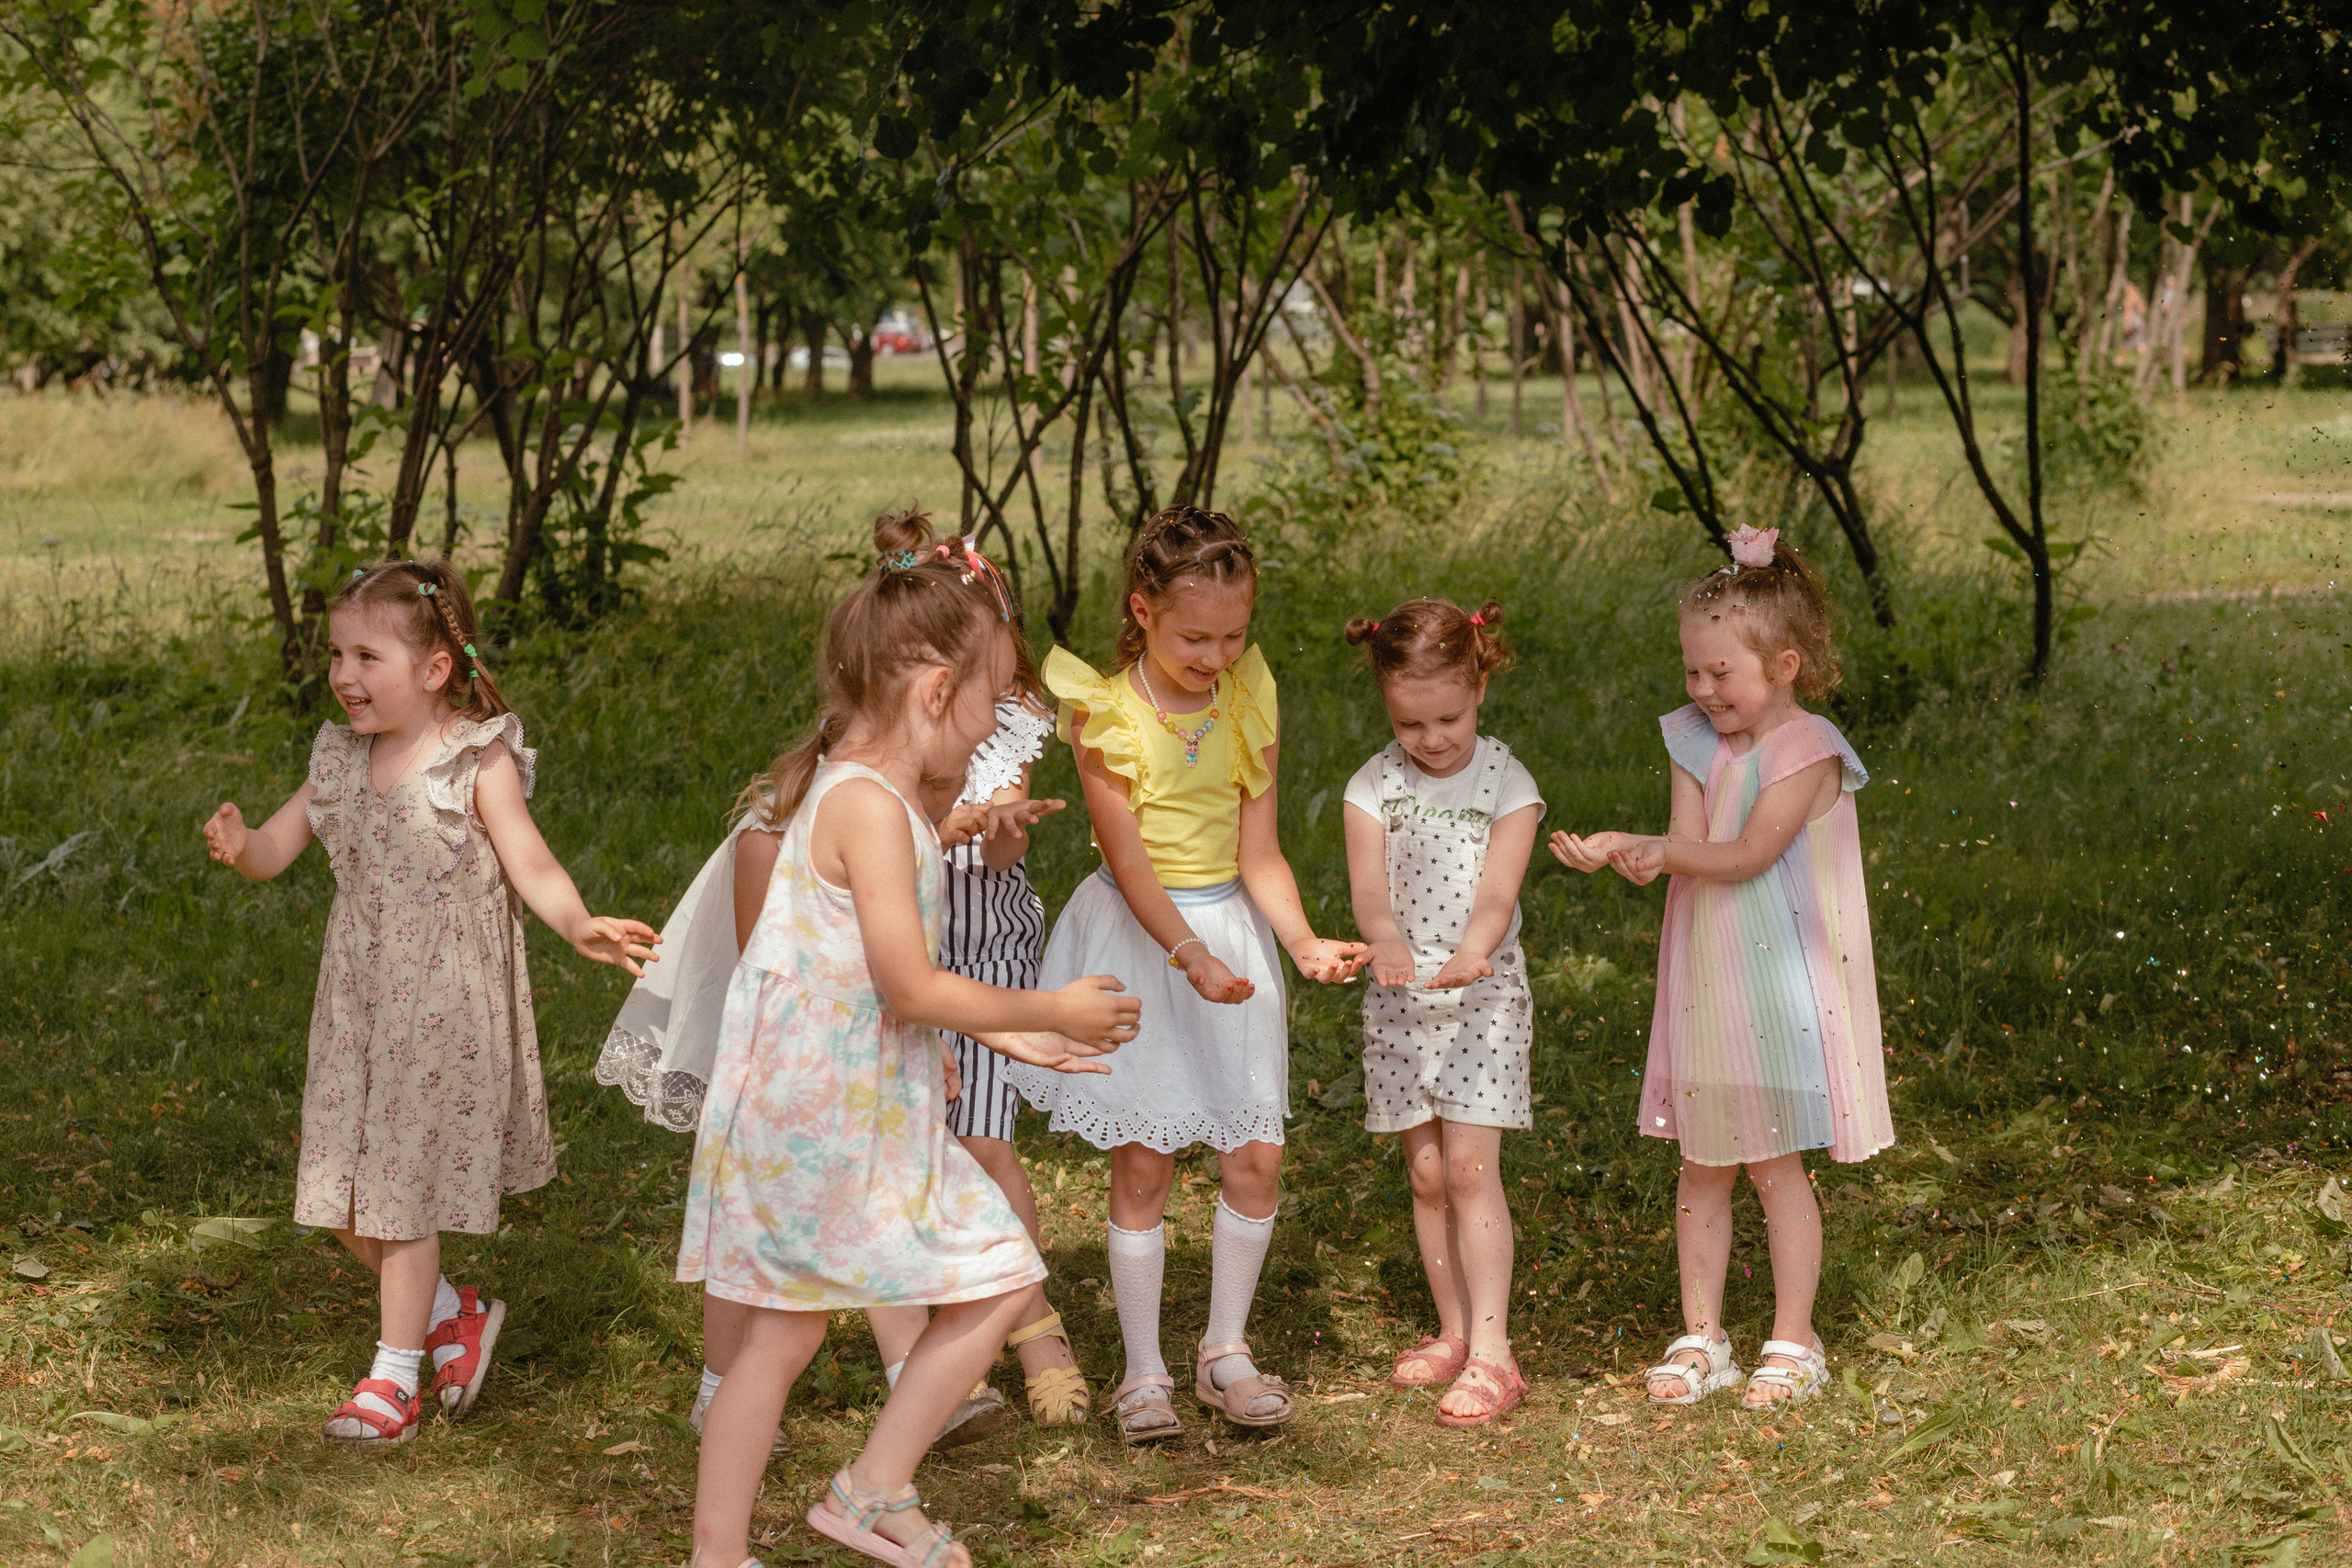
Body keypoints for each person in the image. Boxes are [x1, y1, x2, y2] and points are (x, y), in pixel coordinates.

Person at [679, 516, 1138, 1568]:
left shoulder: (878, 798)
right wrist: (1046, 1012)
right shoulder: (868, 807)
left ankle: (859, 1495)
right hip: (820, 1114)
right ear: (936, 692)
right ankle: (807, 1518)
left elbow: (873, 966)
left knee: (950, 1287)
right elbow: (906, 982)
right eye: (994, 698)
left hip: (852, 1100)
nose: (996, 724)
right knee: (814, 1324)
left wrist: (1012, 1045)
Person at [201, 560, 659, 1447]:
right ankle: (456, 1313)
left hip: (442, 1003)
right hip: (359, 1004)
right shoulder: (338, 757)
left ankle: (393, 1378)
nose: (343, 674)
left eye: (367, 655)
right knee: (336, 1191)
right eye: (336, 653)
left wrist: (577, 924)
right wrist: (240, 841)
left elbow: (531, 862)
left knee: (400, 1193)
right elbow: (275, 849)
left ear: (435, 669)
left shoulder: (472, 755)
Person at [1006, 504, 1365, 1445]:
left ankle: (1224, 1350)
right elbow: (1129, 865)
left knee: (1254, 1152)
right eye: (1194, 637)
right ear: (1142, 610)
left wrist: (1298, 942)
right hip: (1143, 941)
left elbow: (1261, 850)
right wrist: (1187, 954)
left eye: (1234, 635)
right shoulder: (1105, 713)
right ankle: (1142, 1370)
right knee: (1145, 1160)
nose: (1216, 656)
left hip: (1228, 939)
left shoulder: (1249, 692)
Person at [1550, 525, 1891, 1410]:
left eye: (1720, 674)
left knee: (1775, 1163)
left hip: (1777, 987)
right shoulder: (1694, 739)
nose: (1703, 691)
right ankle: (1702, 1333)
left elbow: (1743, 855)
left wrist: (1657, 849)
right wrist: (1637, 853)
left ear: (1783, 664)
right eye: (1691, 671)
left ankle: (1795, 1335)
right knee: (1702, 1162)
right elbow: (1695, 843)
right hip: (1707, 975)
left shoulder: (1807, 749)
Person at [1340, 598, 1543, 1428]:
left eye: (1447, 717)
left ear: (1480, 686)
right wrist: (1385, 942)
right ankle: (1453, 1330)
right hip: (1402, 996)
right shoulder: (1373, 784)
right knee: (1426, 1172)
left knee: (1469, 1169)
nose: (1431, 739)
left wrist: (1475, 949)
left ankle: (1495, 1351)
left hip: (1481, 994)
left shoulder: (1507, 781)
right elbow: (1367, 889)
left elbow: (1498, 891)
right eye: (1410, 721)